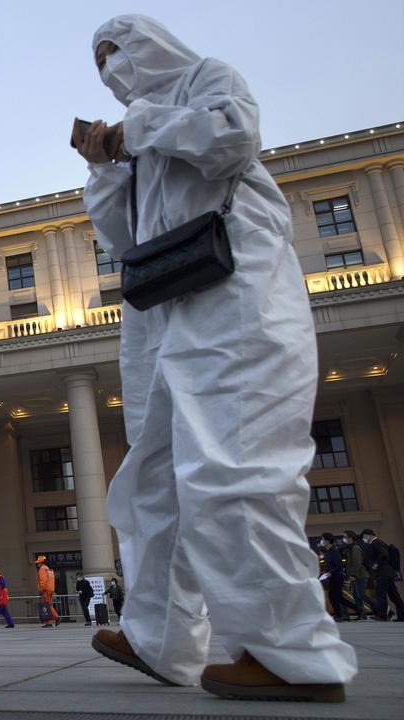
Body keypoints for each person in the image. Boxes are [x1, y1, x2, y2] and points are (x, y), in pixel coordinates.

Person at [77, 15, 356, 702]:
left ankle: (291, 653)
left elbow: (231, 138)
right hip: (164, 313)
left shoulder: (207, 80)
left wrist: (138, 129)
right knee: (155, 481)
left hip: (235, 295)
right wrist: (107, 165)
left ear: (150, 44)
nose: (111, 70)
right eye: (99, 62)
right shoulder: (138, 138)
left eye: (117, 52)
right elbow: (122, 235)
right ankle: (160, 636)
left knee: (234, 465)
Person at [362, 529, 403, 621]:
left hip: (382, 573)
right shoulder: (376, 543)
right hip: (386, 573)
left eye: (364, 537)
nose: (364, 539)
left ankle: (382, 615)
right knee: (394, 595)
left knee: (381, 594)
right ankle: (402, 615)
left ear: (369, 535)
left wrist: (376, 564)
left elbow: (384, 554)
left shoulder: (376, 543)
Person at [319, 534, 347, 621]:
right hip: (331, 576)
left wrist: (331, 572)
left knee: (337, 597)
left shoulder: (334, 551)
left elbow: (339, 565)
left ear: (327, 541)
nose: (321, 541)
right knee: (332, 596)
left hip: (337, 576)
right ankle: (338, 614)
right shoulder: (328, 551)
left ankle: (343, 614)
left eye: (323, 539)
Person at [342, 531, 367, 621]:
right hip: (354, 576)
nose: (343, 539)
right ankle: (361, 613)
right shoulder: (349, 548)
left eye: (345, 537)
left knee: (360, 595)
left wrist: (354, 575)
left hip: (359, 575)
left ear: (350, 538)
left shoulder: (355, 548)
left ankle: (376, 608)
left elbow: (357, 562)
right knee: (356, 596)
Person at [35, 556, 59, 628]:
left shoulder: (42, 569)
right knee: (49, 605)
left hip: (45, 590)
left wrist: (41, 589)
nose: (37, 564)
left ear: (41, 563)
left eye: (38, 563)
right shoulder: (49, 569)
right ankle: (50, 621)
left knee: (47, 605)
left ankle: (55, 619)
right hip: (50, 589)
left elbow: (43, 580)